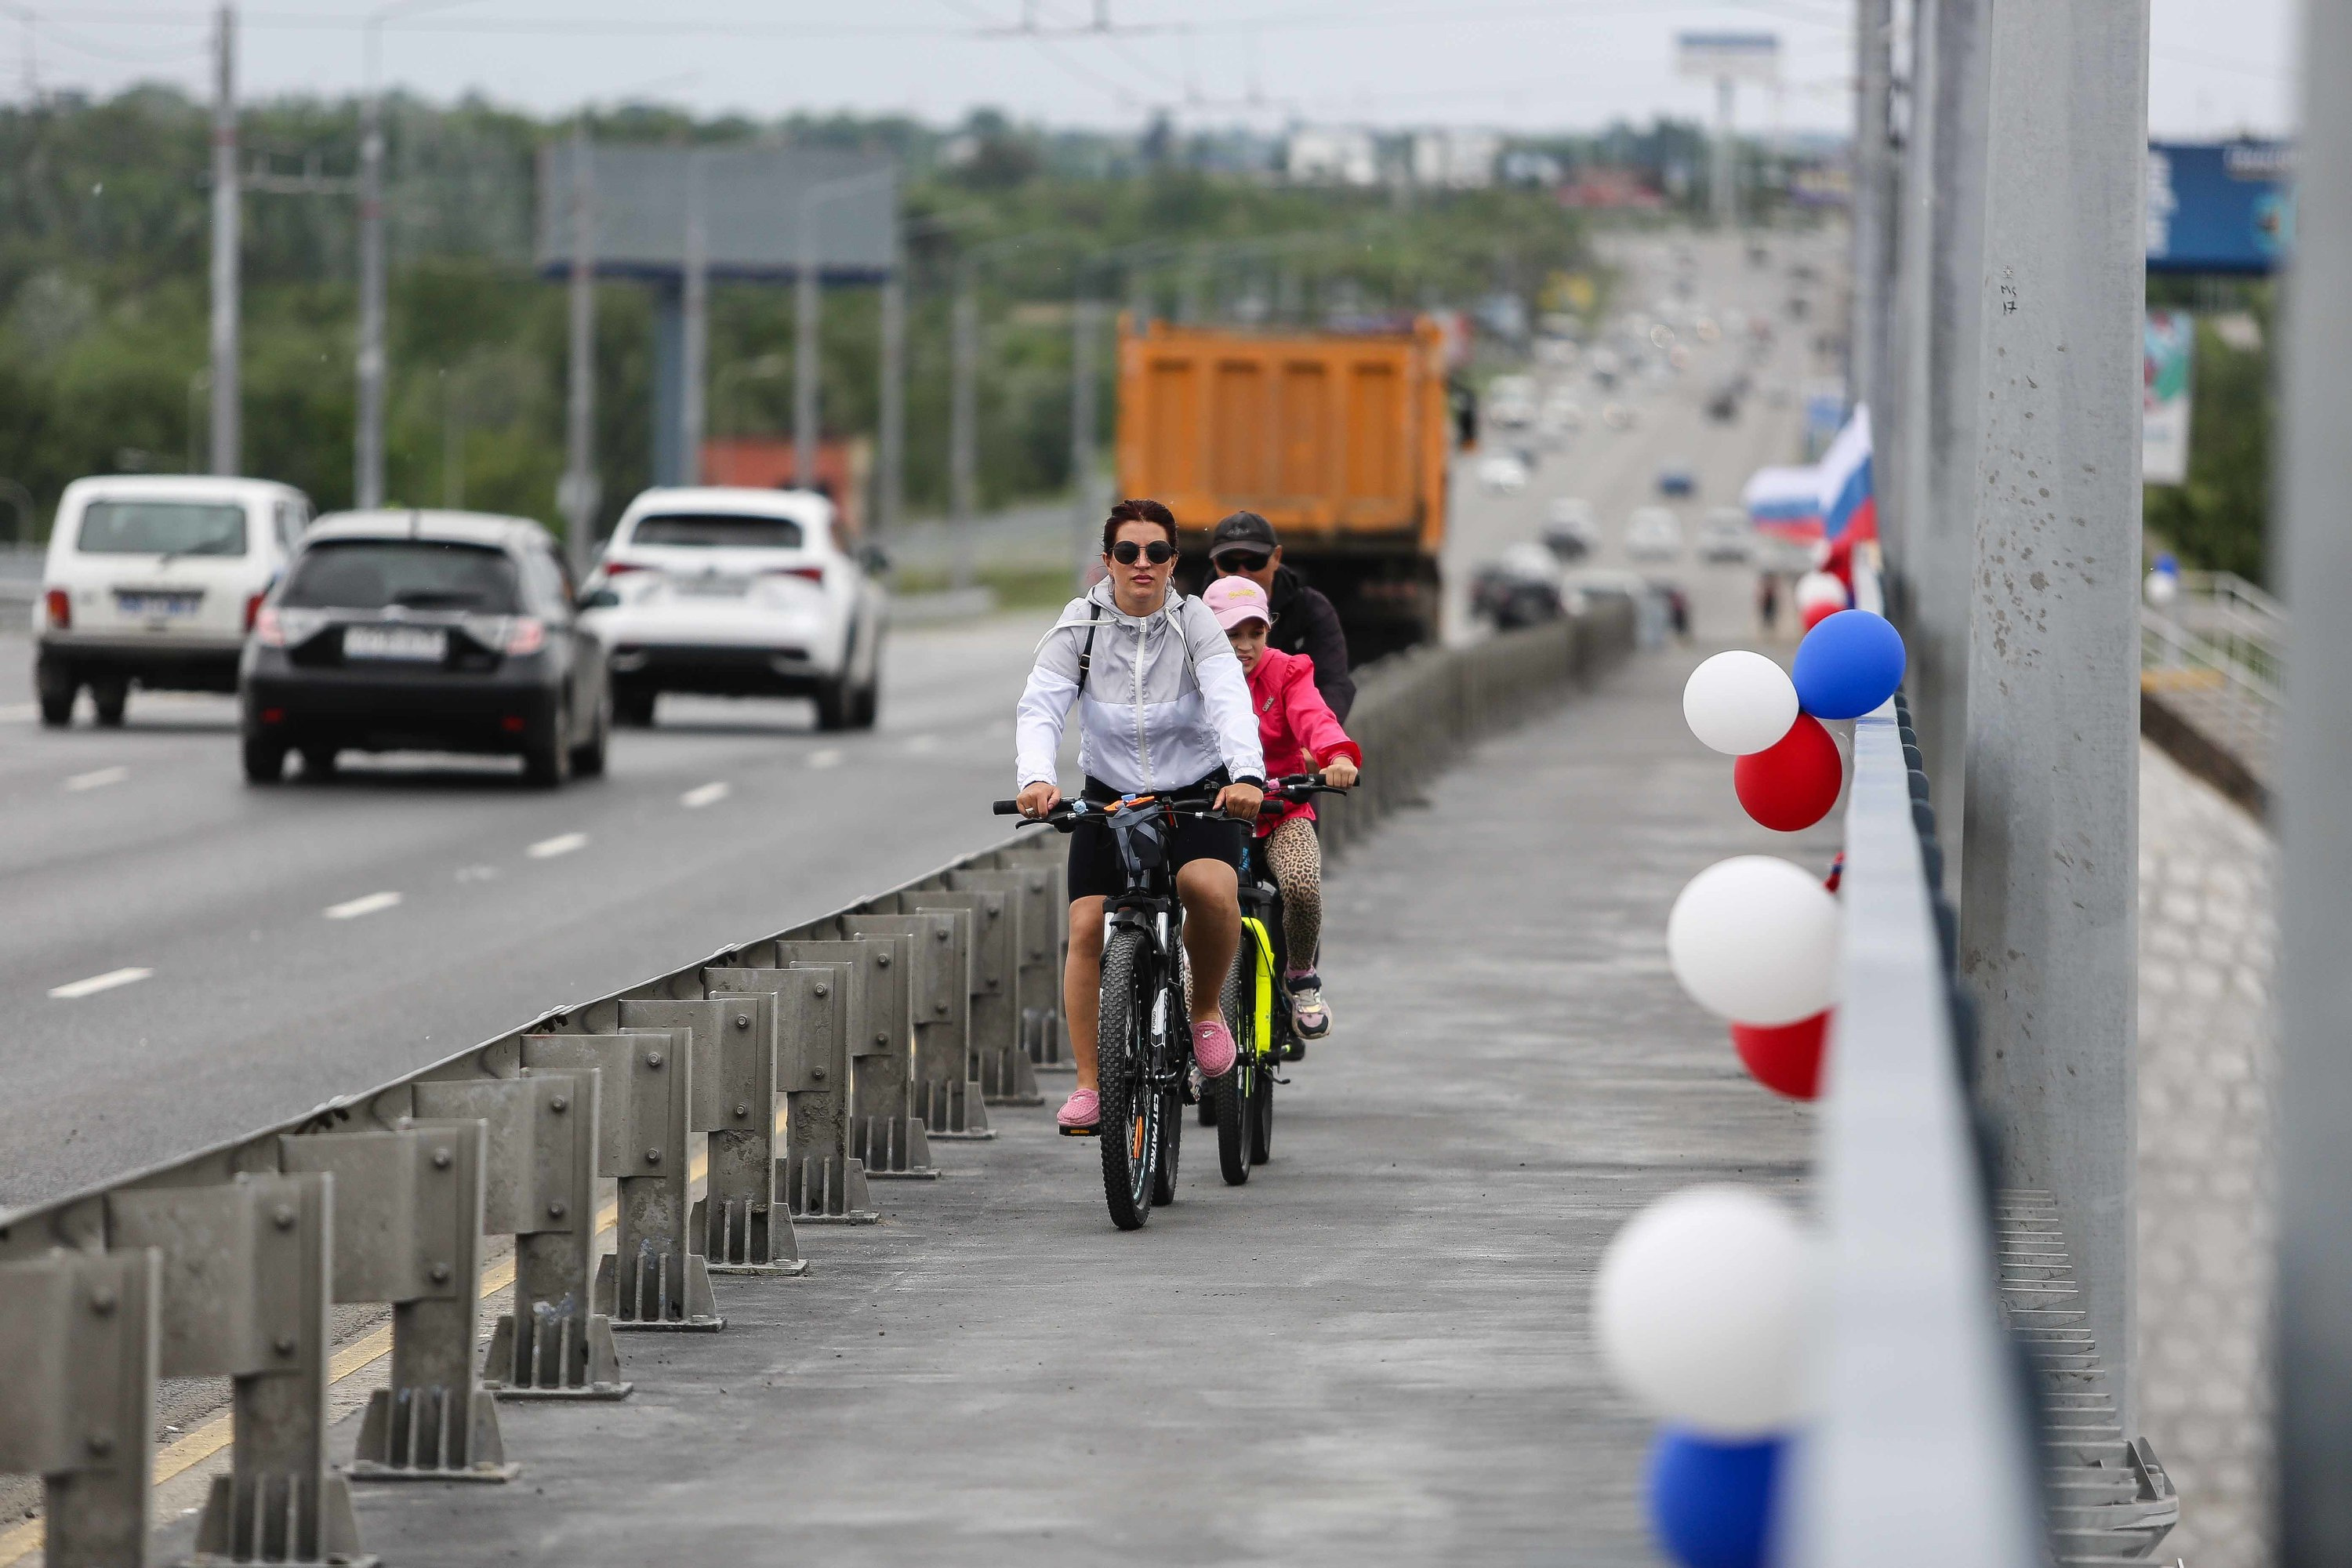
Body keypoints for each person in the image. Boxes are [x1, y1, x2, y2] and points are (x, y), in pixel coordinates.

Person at [1014, 499, 1268, 1135]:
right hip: (1111, 794)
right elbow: (1040, 706)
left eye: (1157, 552)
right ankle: (1091, 1087)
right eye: (1128, 552)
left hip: (1196, 789)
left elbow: (1231, 701)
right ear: (1108, 561)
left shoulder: (1198, 625)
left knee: (1208, 890)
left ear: (1174, 562)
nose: (1142, 564)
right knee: (1086, 928)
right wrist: (1037, 779)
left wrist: (1246, 776)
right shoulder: (1080, 626)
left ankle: (1205, 1007)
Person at [1201, 576, 1360, 1040]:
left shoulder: (1288, 671)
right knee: (1192, 911)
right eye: (1231, 635)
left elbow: (1315, 717)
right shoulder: (1189, 674)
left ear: (1270, 630)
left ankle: (1300, 974)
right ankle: (1195, 1026)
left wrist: (1338, 757)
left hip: (1279, 811)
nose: (1245, 647)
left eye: (1256, 633)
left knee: (1302, 885)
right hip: (1209, 816)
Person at [1207, 510, 1356, 721]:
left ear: (1276, 557)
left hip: (1292, 729)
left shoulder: (1310, 609)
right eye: (1229, 564)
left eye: (1255, 562)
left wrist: (1319, 738)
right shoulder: (1196, 615)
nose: (1242, 573)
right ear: (1215, 563)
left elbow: (1333, 682)